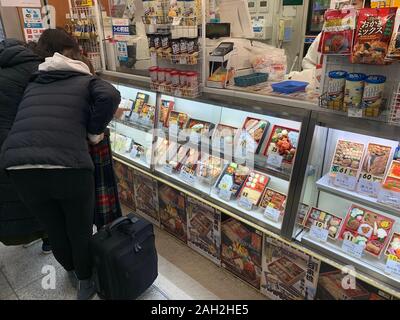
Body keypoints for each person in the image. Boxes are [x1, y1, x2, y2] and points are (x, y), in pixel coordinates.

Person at [0, 29, 121, 300]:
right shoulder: (84, 79)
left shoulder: (35, 81)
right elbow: (110, 95)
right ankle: (86, 280)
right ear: (75, 60)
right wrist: (93, 132)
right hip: (69, 166)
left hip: (19, 168)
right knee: (78, 228)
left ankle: (71, 269)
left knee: (54, 228)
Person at [0, 38, 52, 253]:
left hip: (5, 143)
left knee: (13, 190)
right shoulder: (35, 69)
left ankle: (21, 233)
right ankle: (49, 237)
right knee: (44, 190)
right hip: (34, 137)